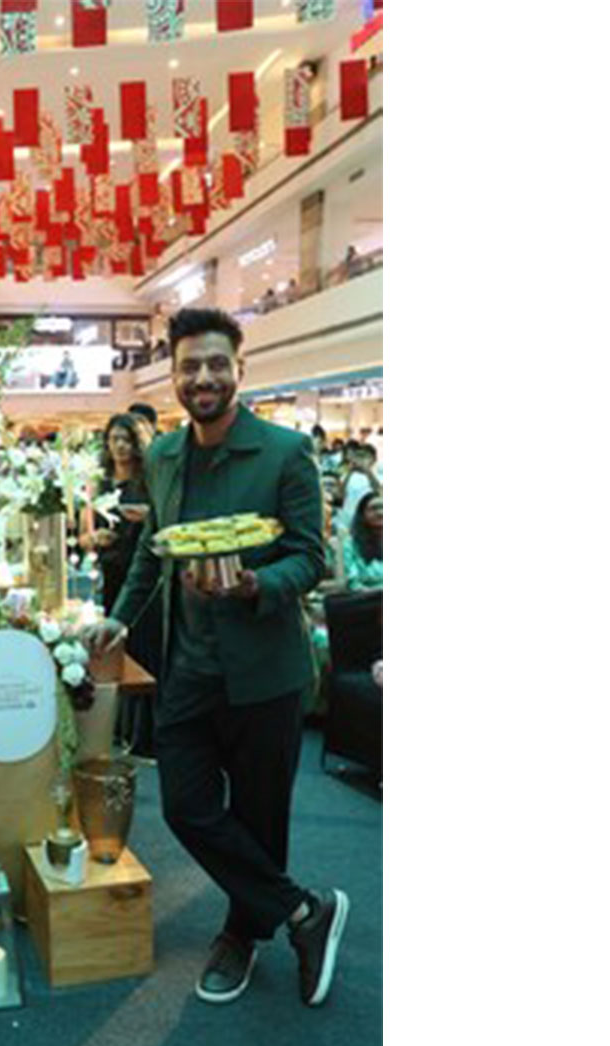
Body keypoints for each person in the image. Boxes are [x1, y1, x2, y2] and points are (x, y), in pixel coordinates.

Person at [87, 306, 349, 1010]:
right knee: (187, 805)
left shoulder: (285, 452)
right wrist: (119, 618)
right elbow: (153, 549)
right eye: (189, 366)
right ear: (173, 376)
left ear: (239, 369)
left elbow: (310, 557)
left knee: (262, 817)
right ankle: (302, 911)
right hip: (189, 668)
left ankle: (242, 933)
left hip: (267, 671)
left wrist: (258, 584)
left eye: (214, 364)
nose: (202, 377)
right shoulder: (165, 456)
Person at [81, 412, 159, 757]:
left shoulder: (150, 481)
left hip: (141, 574)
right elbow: (82, 535)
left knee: (143, 650)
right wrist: (93, 537)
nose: (120, 447)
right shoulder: (101, 483)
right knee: (113, 650)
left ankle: (144, 736)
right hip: (110, 572)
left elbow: (162, 529)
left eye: (126, 440)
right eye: (114, 440)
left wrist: (146, 518)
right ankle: (117, 729)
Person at [337, 441, 381, 530]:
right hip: (348, 519)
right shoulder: (346, 476)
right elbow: (340, 497)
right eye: (359, 456)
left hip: (370, 520)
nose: (361, 460)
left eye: (365, 456)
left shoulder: (379, 475)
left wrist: (367, 471)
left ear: (373, 459)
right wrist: (350, 471)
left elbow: (379, 492)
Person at [342, 492, 383, 589]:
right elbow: (353, 582)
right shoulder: (351, 545)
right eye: (374, 508)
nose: (380, 513)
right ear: (362, 514)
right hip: (369, 599)